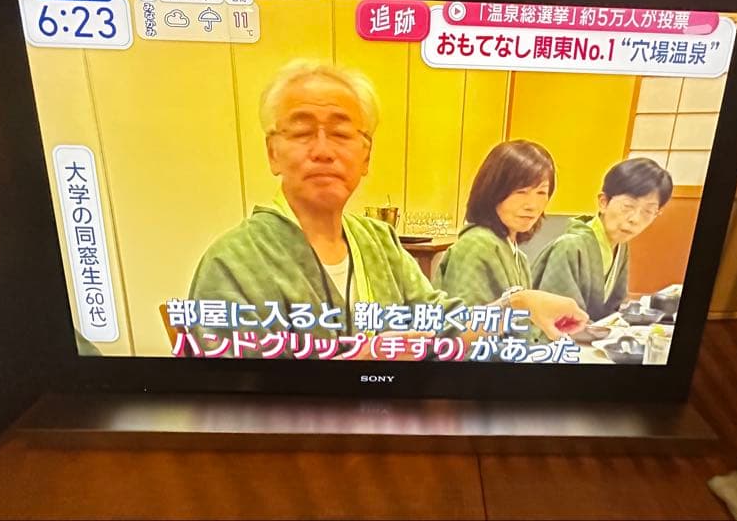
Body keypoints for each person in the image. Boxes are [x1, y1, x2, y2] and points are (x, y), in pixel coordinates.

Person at [188, 59, 585, 359]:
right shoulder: (233, 263)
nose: (323, 150)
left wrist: (518, 304)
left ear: (366, 157)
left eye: (341, 133)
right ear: (273, 152)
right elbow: (227, 404)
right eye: (303, 131)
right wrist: (356, 368)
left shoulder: (378, 241)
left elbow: (443, 326)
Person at [531, 157, 673, 321]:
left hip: (591, 332)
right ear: (603, 202)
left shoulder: (620, 245)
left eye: (648, 211)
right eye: (628, 206)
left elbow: (616, 305)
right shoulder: (569, 246)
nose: (635, 219)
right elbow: (561, 317)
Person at [433, 140, 554, 306]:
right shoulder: (476, 245)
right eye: (521, 192)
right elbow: (462, 319)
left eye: (541, 192)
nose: (531, 205)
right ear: (494, 191)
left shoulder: (518, 256)